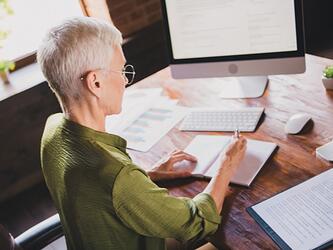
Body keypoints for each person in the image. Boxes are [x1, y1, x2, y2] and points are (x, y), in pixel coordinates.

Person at [37, 16, 247, 250]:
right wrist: (226, 164)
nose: (125, 80)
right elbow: (197, 222)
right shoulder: (115, 174)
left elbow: (96, 193)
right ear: (95, 83)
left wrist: (149, 175)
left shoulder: (53, 131)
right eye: (121, 70)